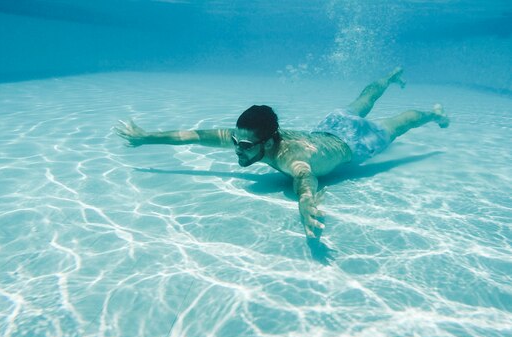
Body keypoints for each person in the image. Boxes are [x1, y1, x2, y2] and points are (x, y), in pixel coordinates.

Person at [115, 68, 449, 238]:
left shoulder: (292, 159)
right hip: (329, 126)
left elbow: (305, 182)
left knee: (400, 122)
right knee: (363, 99)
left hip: (355, 144)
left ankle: (434, 113)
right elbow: (194, 136)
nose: (237, 150)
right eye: (236, 142)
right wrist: (146, 138)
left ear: (268, 141)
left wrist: (307, 210)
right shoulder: (250, 138)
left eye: (245, 146)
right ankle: (390, 78)